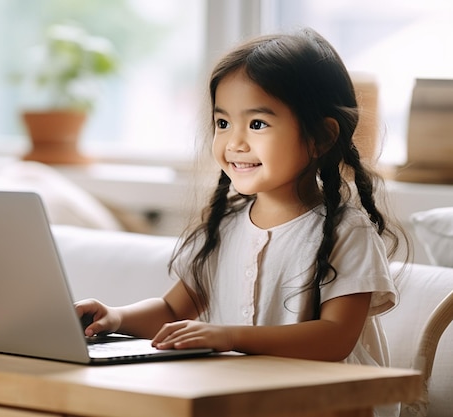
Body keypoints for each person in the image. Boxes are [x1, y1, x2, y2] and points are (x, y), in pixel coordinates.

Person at [75, 27, 406, 416]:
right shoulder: (226, 226)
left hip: (328, 407)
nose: (235, 143)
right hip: (247, 400)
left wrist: (227, 337)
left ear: (321, 136)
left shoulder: (344, 231)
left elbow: (335, 339)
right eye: (223, 123)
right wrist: (115, 317)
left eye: (258, 124)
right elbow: (171, 310)